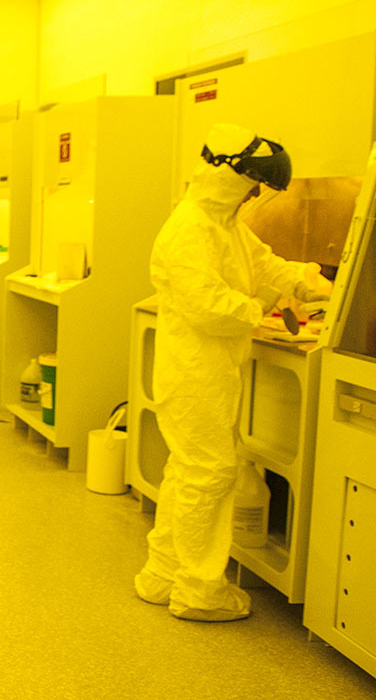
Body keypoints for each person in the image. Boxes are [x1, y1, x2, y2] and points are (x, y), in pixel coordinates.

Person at [135, 123, 331, 622]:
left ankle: (162, 573)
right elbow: (208, 307)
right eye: (252, 184)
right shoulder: (188, 228)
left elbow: (264, 264)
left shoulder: (224, 226)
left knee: (188, 471)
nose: (254, 195)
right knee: (211, 472)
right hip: (193, 372)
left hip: (215, 369)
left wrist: (311, 286)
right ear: (226, 174)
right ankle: (200, 590)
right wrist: (258, 308)